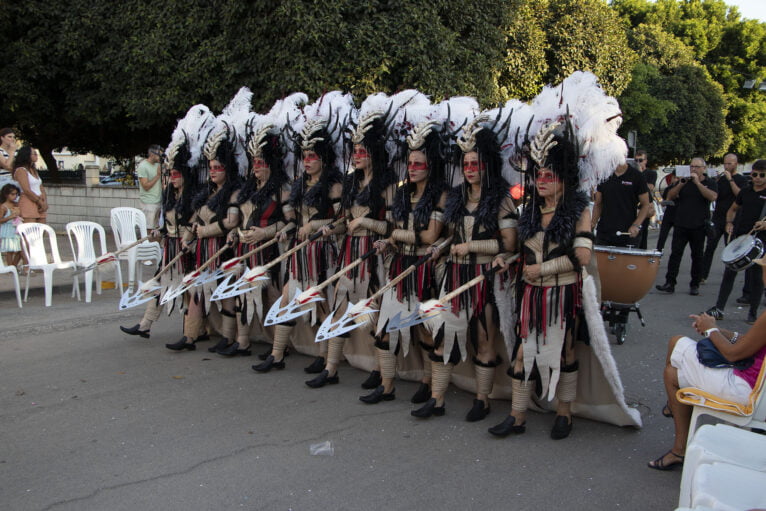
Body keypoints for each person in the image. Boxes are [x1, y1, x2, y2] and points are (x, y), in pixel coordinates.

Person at [413, 109, 518, 421]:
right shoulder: (456, 197)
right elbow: (450, 236)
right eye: (466, 164)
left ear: (487, 165)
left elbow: (509, 244)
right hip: (455, 277)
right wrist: (440, 246)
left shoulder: (502, 197)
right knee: (444, 334)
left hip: (484, 279)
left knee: (483, 339)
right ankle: (438, 398)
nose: (470, 168)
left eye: (476, 163)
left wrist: (471, 246)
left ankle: (482, 400)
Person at [252, 92, 353, 375]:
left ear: (323, 158)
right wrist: (287, 230)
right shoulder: (298, 185)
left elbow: (342, 221)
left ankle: (325, 359)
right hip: (299, 253)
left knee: (320, 305)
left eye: (312, 157)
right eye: (304, 156)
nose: (307, 161)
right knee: (287, 300)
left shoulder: (334, 186)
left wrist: (318, 227)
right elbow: (292, 219)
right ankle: (277, 354)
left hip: (323, 254)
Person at [648, 260, 766, 470]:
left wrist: (711, 330)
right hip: (754, 386)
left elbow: (733, 354)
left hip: (745, 390)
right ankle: (677, 442)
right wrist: (717, 331)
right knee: (672, 373)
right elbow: (751, 341)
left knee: (675, 346)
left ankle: (677, 438)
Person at [120, 105, 213, 340]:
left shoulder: (193, 198)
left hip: (187, 250)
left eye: (176, 174)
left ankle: (194, 332)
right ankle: (145, 325)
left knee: (189, 290)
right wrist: (158, 234)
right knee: (160, 284)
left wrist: (186, 241)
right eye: (170, 174)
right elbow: (165, 225)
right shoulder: (170, 196)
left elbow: (195, 224)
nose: (172, 178)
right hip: (170, 249)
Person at [706, 159, 766, 324]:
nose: (758, 178)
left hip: (761, 241)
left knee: (756, 277)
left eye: (762, 175)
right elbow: (732, 209)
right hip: (742, 237)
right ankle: (719, 308)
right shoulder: (745, 192)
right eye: (755, 174)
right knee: (729, 273)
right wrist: (729, 223)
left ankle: (753, 313)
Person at [655, 158, 717, 295]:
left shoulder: (709, 183)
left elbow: (712, 197)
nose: (693, 169)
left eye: (697, 167)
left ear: (703, 169)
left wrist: (697, 183)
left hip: (699, 225)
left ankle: (695, 284)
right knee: (675, 254)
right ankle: (670, 283)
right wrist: (681, 183)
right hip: (681, 224)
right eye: (692, 166)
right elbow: (670, 196)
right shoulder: (684, 182)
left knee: (697, 256)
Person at [701, 153, 747, 282]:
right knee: (710, 246)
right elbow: (715, 195)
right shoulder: (721, 179)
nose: (726, 166)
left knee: (731, 248)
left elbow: (740, 195)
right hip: (718, 217)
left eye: (729, 164)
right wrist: (714, 181)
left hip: (733, 219)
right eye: (725, 163)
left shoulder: (741, 179)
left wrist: (730, 180)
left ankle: (729, 276)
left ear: (736, 164)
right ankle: (702, 275)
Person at [591, 161, 650, 247]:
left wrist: (636, 225)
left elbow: (645, 204)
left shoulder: (637, 176)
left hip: (627, 233)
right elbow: (598, 204)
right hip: (604, 232)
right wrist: (592, 224)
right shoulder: (603, 175)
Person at [12, 146, 47, 223]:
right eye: (34, 153)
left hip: (39, 200)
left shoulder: (33, 170)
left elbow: (40, 186)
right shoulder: (21, 170)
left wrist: (44, 201)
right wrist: (40, 202)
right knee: (30, 230)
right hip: (28, 200)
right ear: (26, 155)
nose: (36, 155)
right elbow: (26, 190)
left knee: (42, 229)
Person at [136, 145, 164, 230]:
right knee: (149, 229)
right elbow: (146, 186)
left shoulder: (158, 165)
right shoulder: (143, 166)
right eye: (159, 155)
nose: (161, 157)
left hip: (158, 201)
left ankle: (155, 244)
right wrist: (158, 175)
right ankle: (147, 243)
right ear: (152, 154)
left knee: (157, 229)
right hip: (148, 203)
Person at [635, 150, 657, 248]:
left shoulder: (651, 173)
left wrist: (640, 173)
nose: (638, 163)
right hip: (632, 205)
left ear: (645, 161)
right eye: (636, 160)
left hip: (644, 206)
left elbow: (650, 187)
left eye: (640, 160)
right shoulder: (631, 173)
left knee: (642, 235)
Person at [0, 183, 22, 268]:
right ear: (6, 195)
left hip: (16, 229)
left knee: (20, 250)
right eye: (12, 194)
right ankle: (10, 267)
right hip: (7, 230)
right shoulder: (3, 207)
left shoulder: (16, 204)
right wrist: (10, 217)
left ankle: (14, 266)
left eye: (16, 194)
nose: (15, 196)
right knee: (10, 251)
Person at [656, 172, 679, 252]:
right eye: (675, 178)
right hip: (668, 215)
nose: (676, 180)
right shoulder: (668, 189)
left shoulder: (683, 188)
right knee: (662, 236)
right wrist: (663, 202)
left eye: (678, 178)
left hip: (678, 216)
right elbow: (664, 201)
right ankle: (658, 252)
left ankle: (675, 253)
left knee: (677, 238)